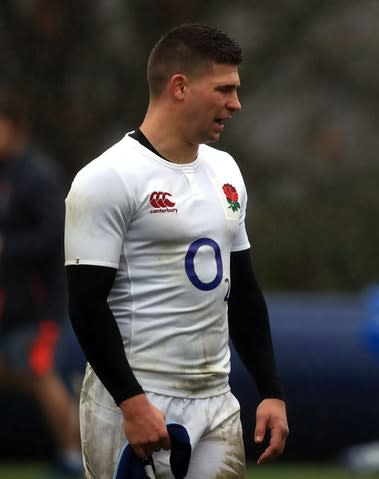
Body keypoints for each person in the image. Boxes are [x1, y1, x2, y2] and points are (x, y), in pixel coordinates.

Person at [64, 23, 289, 478]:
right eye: (224, 89)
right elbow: (86, 306)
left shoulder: (225, 169)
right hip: (137, 395)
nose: (236, 103)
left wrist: (271, 390)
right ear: (180, 87)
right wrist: (131, 401)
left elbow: (242, 290)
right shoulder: (107, 178)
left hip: (215, 397)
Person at [0, 94, 83, 478]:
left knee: (40, 374)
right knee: (25, 374)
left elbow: (55, 236)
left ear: (15, 127)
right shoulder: (6, 174)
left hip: (39, 305)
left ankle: (73, 457)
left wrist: (7, 248)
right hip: (8, 305)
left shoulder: (39, 176)